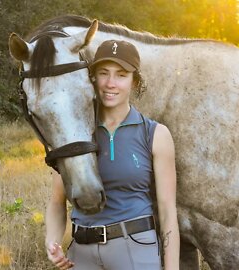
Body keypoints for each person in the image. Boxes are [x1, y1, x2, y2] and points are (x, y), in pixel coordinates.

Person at [45, 39, 179, 270]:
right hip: (81, 255)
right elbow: (58, 201)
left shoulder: (155, 134)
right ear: (93, 77)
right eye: (103, 73)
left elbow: (167, 212)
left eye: (121, 75)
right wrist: (52, 241)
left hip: (136, 250)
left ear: (134, 81)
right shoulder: (74, 134)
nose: (110, 83)